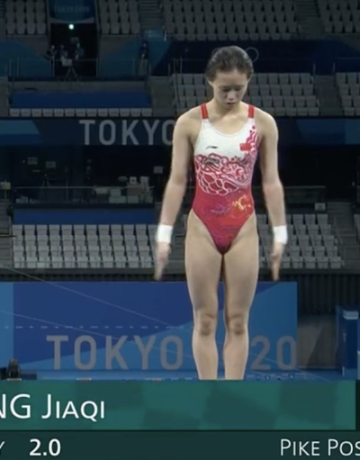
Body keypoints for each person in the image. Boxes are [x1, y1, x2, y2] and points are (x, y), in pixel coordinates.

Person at [153, 46, 287, 381]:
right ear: (209, 81)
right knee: (206, 319)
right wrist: (164, 234)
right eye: (224, 88)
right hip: (203, 225)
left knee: (238, 321)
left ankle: (232, 395)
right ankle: (208, 393)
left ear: (249, 82)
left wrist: (280, 233)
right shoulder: (190, 123)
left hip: (243, 226)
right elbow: (177, 180)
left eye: (238, 89)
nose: (231, 96)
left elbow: (271, 181)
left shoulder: (263, 124)